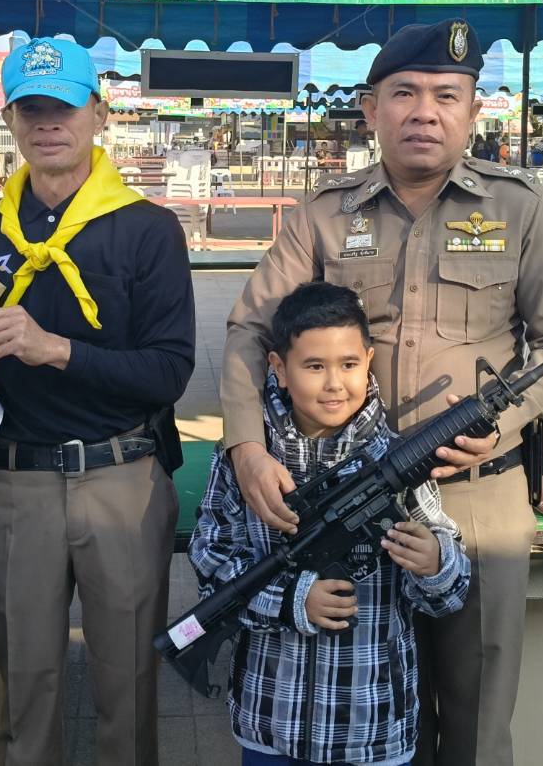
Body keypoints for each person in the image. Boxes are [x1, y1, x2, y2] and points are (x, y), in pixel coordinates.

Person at [222, 19, 543, 766]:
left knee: (477, 711)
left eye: (446, 96)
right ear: (371, 109)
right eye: (405, 93)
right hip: (352, 501)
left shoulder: (521, 209)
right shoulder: (325, 214)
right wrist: (245, 448)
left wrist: (505, 423)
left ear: (473, 110)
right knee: (376, 711)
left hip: (477, 497)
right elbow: (247, 331)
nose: (425, 112)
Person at [0, 37, 196, 766]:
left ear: (99, 113)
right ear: (10, 121)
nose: (48, 124)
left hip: (122, 478)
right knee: (23, 691)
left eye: (64, 107)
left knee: (129, 689)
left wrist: (55, 349)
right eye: (31, 110)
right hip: (16, 483)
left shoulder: (147, 230)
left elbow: (169, 371)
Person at [192, 281, 469, 766]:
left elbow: (449, 591)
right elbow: (209, 558)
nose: (335, 383)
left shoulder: (398, 460)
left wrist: (435, 561)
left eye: (349, 364)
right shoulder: (247, 461)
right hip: (271, 718)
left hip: (373, 726)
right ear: (278, 368)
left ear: (368, 361)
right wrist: (292, 600)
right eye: (314, 366)